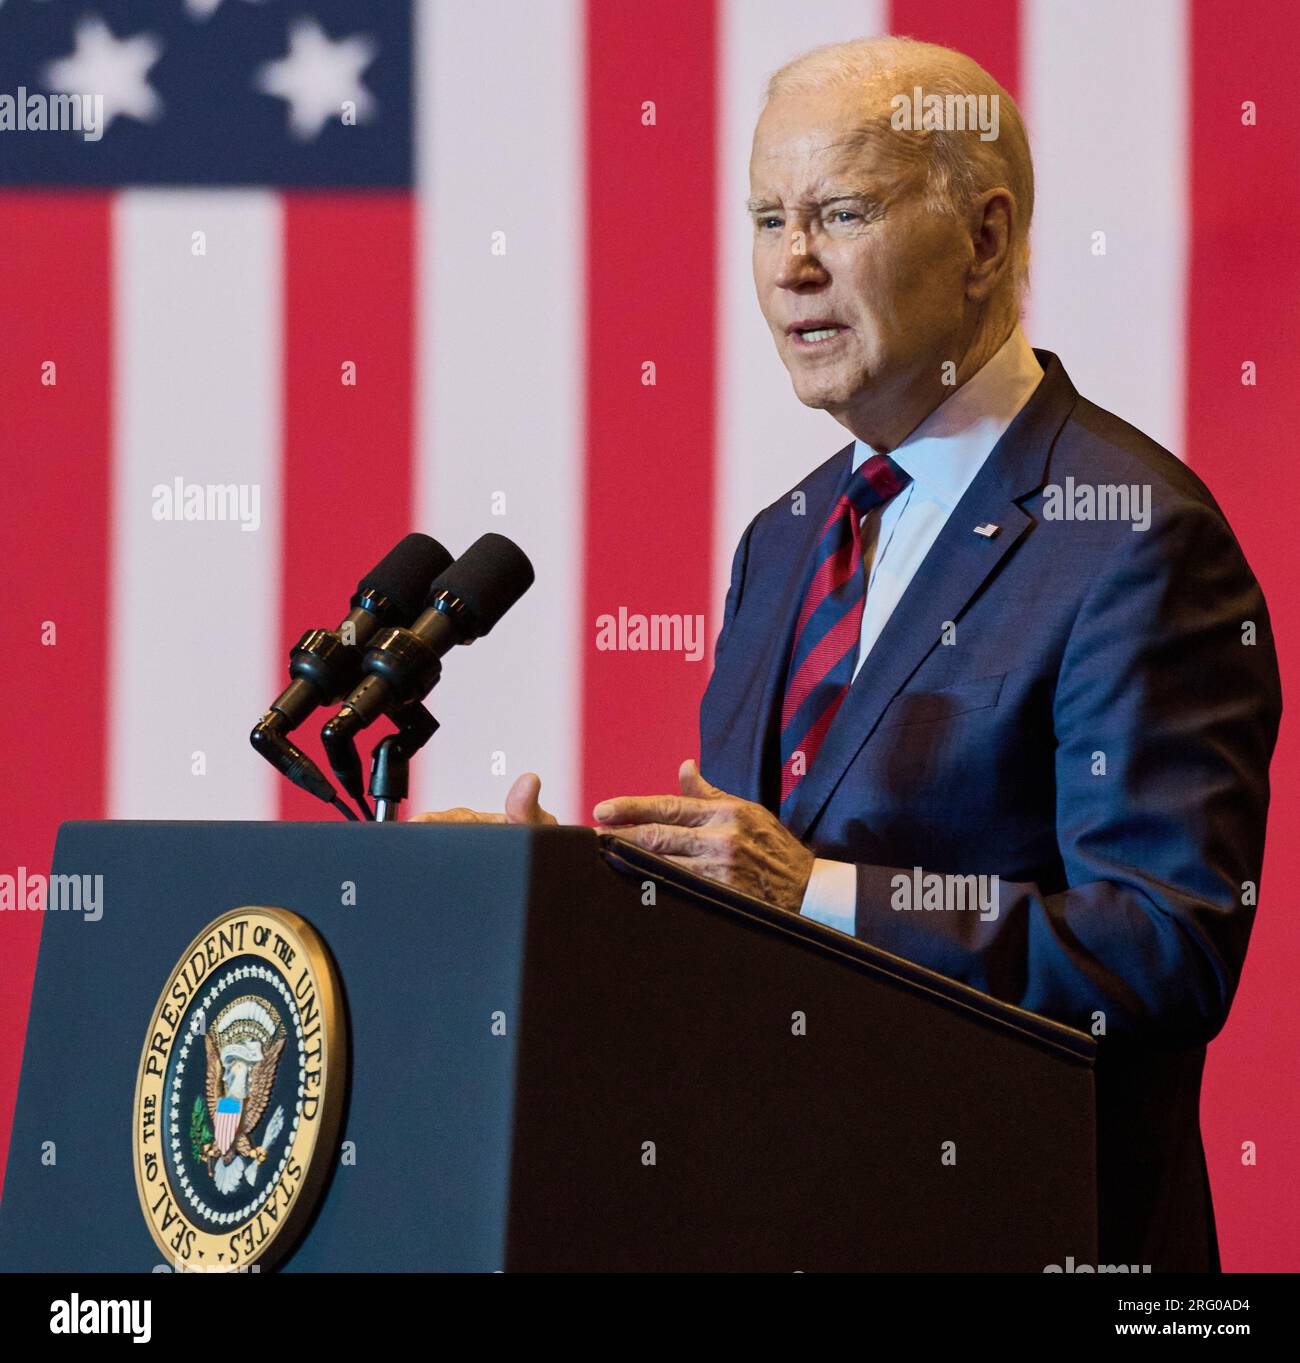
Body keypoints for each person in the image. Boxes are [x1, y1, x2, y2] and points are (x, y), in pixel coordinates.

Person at [414, 36, 1282, 1272]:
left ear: (985, 239)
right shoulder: (784, 538)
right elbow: (733, 916)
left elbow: (1162, 949)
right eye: (767, 219)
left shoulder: (1131, 534)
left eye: (841, 211)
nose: (791, 265)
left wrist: (813, 891)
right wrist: (569, 893)